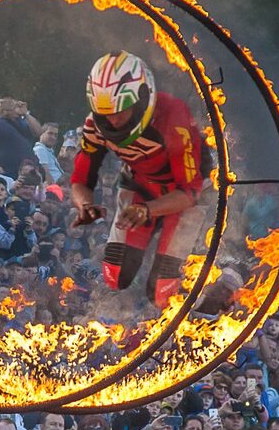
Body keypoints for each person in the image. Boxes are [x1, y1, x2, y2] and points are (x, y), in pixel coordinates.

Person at [69, 53, 207, 306]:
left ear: (143, 98)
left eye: (121, 112)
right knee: (115, 275)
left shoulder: (173, 117)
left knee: (162, 292)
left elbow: (190, 192)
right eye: (105, 113)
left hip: (184, 193)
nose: (113, 120)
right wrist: (85, 206)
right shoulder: (94, 125)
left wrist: (148, 210)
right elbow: (79, 179)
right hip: (140, 184)